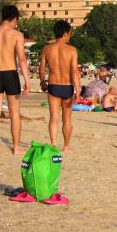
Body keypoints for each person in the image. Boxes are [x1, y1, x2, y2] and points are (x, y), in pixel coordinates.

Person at [0, 5, 30, 156]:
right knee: (14, 113)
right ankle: (15, 147)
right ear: (15, 19)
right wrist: (27, 81)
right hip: (10, 75)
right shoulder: (17, 35)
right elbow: (21, 59)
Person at [39, 20, 79, 153]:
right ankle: (66, 146)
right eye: (69, 34)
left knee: (54, 118)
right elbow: (74, 71)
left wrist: (42, 82)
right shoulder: (72, 50)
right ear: (65, 34)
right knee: (67, 118)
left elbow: (42, 69)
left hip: (53, 86)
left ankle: (53, 144)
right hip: (67, 86)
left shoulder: (47, 49)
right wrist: (77, 89)